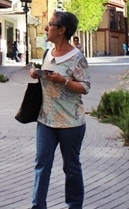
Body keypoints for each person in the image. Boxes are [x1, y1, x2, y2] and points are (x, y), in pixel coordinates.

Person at [29, 11, 91, 209]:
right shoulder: (48, 53)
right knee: (41, 165)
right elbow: (48, 78)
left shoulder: (77, 58)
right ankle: (38, 206)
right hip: (46, 119)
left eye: (51, 24)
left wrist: (63, 80)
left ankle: (74, 206)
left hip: (70, 122)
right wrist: (38, 74)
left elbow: (85, 87)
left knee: (71, 167)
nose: (47, 28)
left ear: (62, 30)